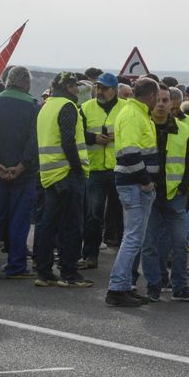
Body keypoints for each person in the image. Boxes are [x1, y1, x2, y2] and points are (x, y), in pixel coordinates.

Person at [0, 65, 40, 279]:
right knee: (19, 220)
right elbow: (34, 140)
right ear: (27, 83)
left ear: (6, 81)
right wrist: (22, 165)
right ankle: (16, 265)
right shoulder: (33, 106)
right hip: (24, 174)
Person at [33, 71, 92, 288]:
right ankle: (70, 273)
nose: (77, 90)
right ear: (67, 86)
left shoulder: (46, 106)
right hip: (66, 174)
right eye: (74, 85)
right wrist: (77, 169)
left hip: (49, 174)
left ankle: (44, 272)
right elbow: (68, 141)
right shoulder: (67, 107)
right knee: (71, 226)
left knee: (48, 224)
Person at [107, 77, 162, 307]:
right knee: (132, 238)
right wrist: (146, 180)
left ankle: (124, 285)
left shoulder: (138, 113)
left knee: (133, 238)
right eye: (157, 97)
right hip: (134, 184)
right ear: (151, 96)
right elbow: (129, 153)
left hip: (135, 183)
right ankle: (117, 287)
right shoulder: (133, 115)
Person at [141, 87, 189, 301]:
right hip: (149, 194)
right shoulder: (144, 127)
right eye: (159, 100)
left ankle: (180, 286)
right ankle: (154, 286)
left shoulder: (183, 128)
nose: (162, 104)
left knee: (180, 243)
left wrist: (184, 186)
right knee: (150, 244)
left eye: (166, 100)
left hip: (175, 194)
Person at [80, 72, 122, 267]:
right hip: (95, 169)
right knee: (93, 215)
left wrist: (118, 136)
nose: (100, 91)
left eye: (104, 88)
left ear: (114, 90)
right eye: (98, 87)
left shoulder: (125, 108)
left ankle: (124, 257)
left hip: (118, 169)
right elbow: (78, 133)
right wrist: (93, 138)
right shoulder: (86, 108)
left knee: (120, 213)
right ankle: (90, 255)